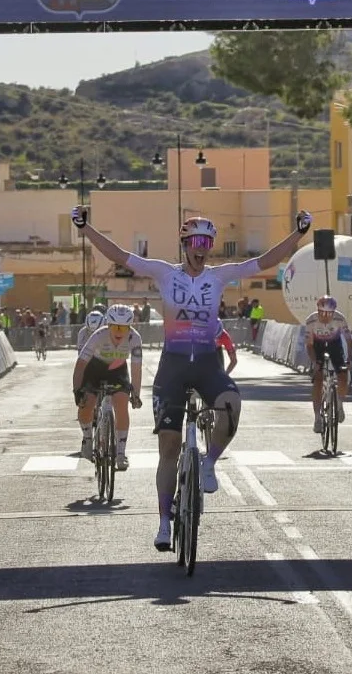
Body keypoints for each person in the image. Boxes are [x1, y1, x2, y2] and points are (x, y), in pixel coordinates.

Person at [73, 205, 312, 552]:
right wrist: (85, 228)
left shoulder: (219, 276)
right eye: (196, 240)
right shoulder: (164, 273)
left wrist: (299, 234)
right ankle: (164, 523)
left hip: (205, 363)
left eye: (207, 241)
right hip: (172, 366)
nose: (202, 247)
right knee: (168, 448)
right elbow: (120, 255)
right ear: (185, 244)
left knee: (231, 404)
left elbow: (264, 261)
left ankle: (210, 461)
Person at [72, 303, 143, 470]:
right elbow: (81, 364)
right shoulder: (98, 335)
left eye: (124, 328)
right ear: (108, 325)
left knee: (121, 404)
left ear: (130, 327)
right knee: (86, 403)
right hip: (94, 369)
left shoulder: (135, 338)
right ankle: (88, 438)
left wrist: (136, 394)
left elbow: (136, 368)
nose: (119, 332)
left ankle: (120, 453)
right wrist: (77, 390)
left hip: (117, 370)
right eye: (115, 327)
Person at [303, 295, 352, 435]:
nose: (325, 316)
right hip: (317, 346)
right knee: (318, 379)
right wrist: (315, 363)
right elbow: (309, 345)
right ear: (318, 311)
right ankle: (317, 418)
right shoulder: (311, 320)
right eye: (322, 312)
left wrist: (349, 360)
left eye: (329, 313)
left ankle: (339, 402)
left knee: (343, 375)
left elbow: (349, 341)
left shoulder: (339, 318)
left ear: (333, 312)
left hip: (334, 345)